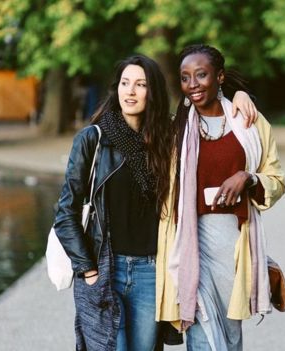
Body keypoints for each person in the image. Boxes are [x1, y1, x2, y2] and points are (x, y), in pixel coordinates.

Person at [52, 54, 257, 351]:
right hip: (106, 268)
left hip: (152, 273)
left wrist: (240, 94)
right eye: (125, 83)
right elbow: (65, 212)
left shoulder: (169, 138)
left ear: (153, 92)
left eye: (140, 84)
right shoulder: (93, 139)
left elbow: (207, 101)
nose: (130, 91)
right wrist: (89, 271)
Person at [155, 44, 285, 351]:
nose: (192, 85)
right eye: (185, 77)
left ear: (220, 77)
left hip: (236, 249)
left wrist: (248, 177)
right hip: (191, 247)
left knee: (229, 338)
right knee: (201, 335)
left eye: (201, 75)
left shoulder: (249, 123)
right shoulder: (176, 129)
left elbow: (277, 179)